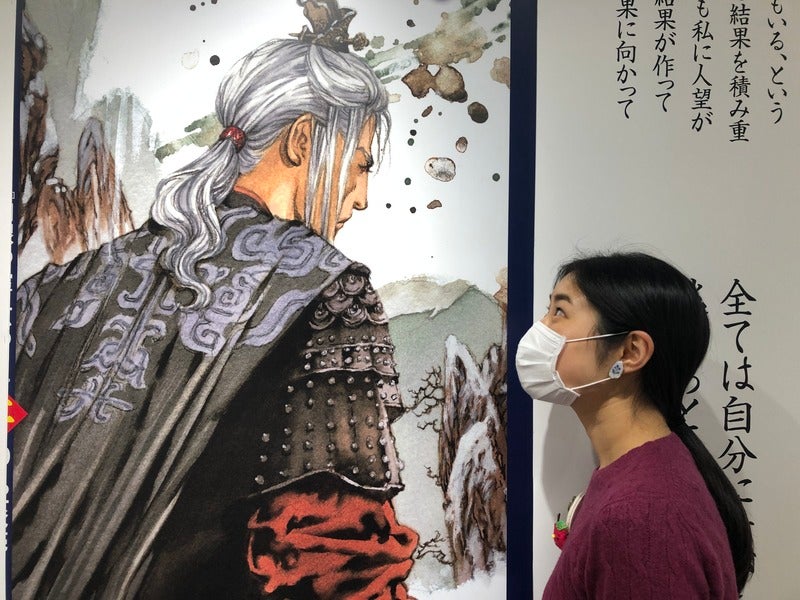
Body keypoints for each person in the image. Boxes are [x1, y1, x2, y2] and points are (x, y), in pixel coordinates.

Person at [12, 6, 418, 599]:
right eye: (358, 166)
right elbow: (339, 554)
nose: (360, 197)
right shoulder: (328, 291)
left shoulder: (57, 286)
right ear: (303, 141)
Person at [515, 251, 754, 599]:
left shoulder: (641, 517)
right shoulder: (638, 475)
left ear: (630, 352)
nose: (540, 328)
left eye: (559, 312)